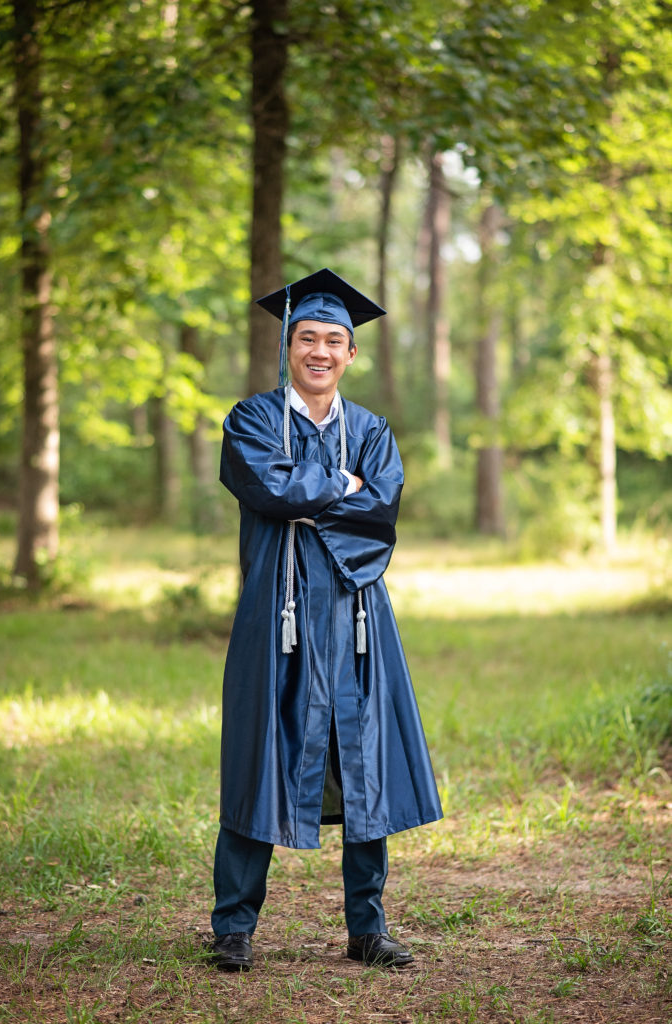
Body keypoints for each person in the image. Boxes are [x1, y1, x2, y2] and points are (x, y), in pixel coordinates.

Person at [210, 269, 442, 971]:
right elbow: (269, 490)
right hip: (273, 623)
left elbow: (380, 513)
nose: (319, 350)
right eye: (306, 337)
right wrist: (340, 487)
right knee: (259, 758)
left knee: (364, 762)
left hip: (356, 620)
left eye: (333, 340)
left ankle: (367, 928)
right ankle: (232, 928)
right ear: (288, 345)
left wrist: (314, 495)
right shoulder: (252, 421)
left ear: (350, 354)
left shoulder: (372, 431)